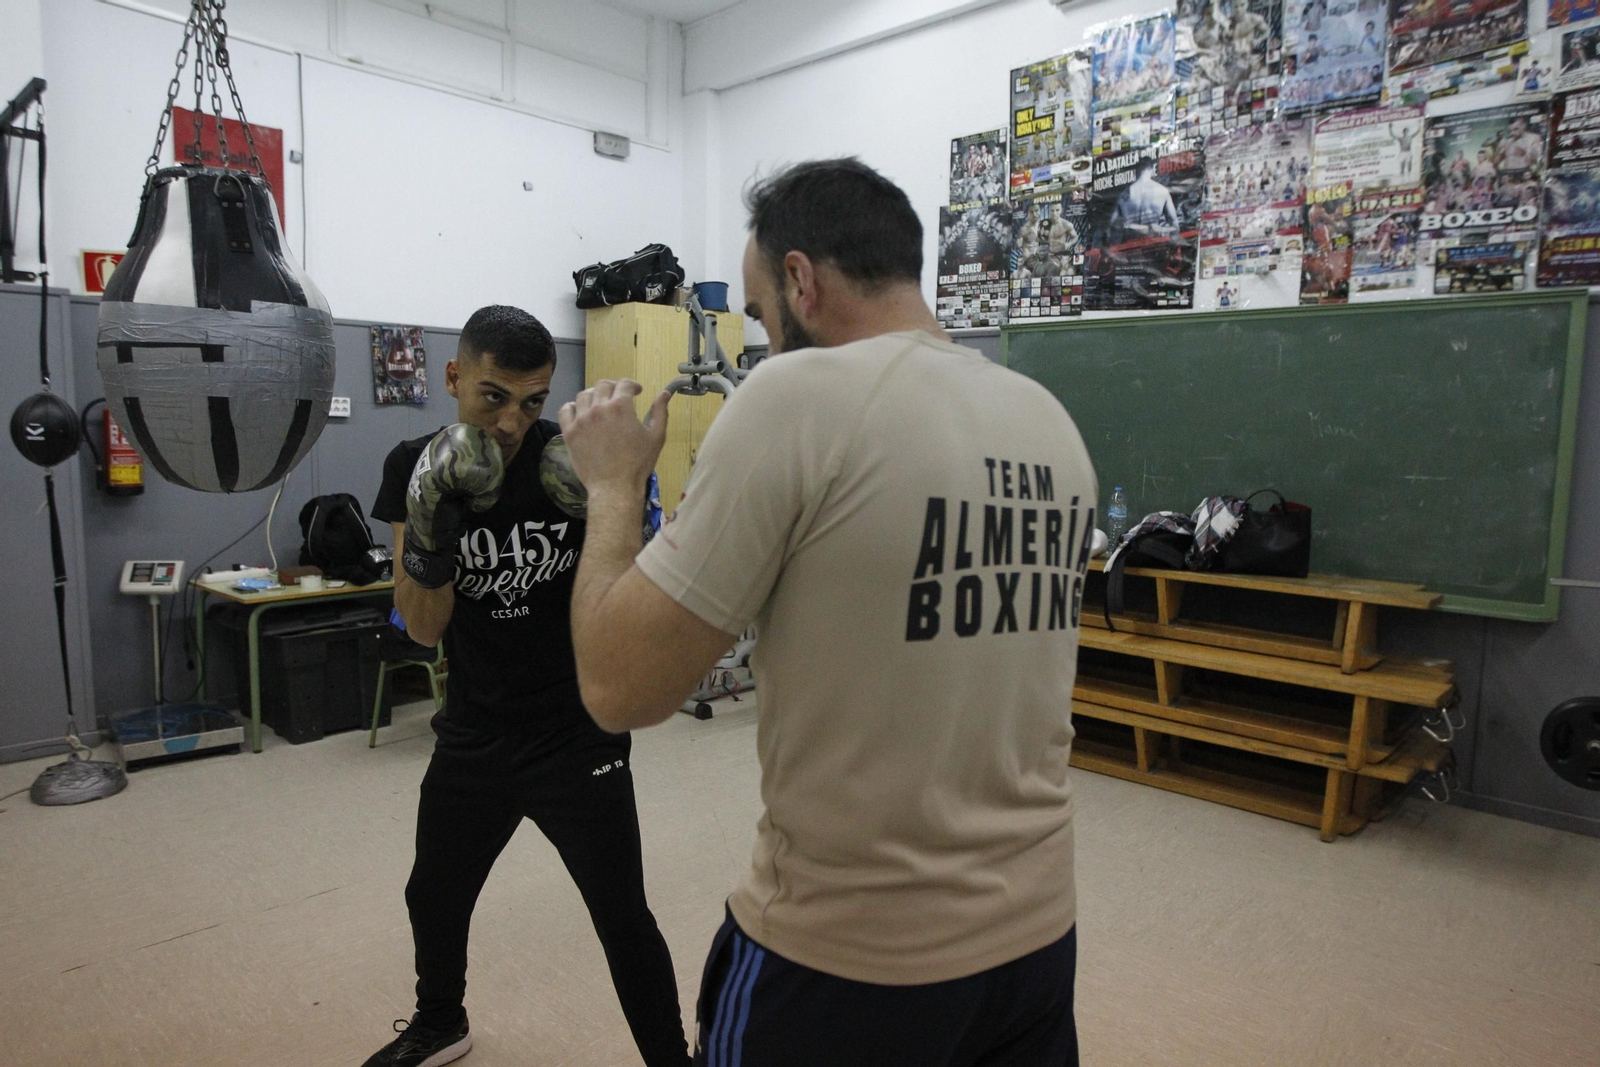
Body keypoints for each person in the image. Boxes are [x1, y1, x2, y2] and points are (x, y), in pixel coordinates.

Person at [556, 158, 1096, 1066]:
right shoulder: (1048, 421)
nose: (764, 341)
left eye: (761, 313)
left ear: (801, 280)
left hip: (847, 961)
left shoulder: (796, 397)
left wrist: (613, 486)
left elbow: (618, 688)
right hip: (1035, 943)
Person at [362, 305, 691, 1067]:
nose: (513, 422)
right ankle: (440, 1020)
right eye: (494, 397)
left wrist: (623, 489)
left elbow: (631, 601)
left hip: (576, 734)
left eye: (533, 401)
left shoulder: (570, 461)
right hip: (474, 730)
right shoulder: (414, 465)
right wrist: (432, 524)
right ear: (454, 377)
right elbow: (423, 628)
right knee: (433, 892)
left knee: (621, 914)